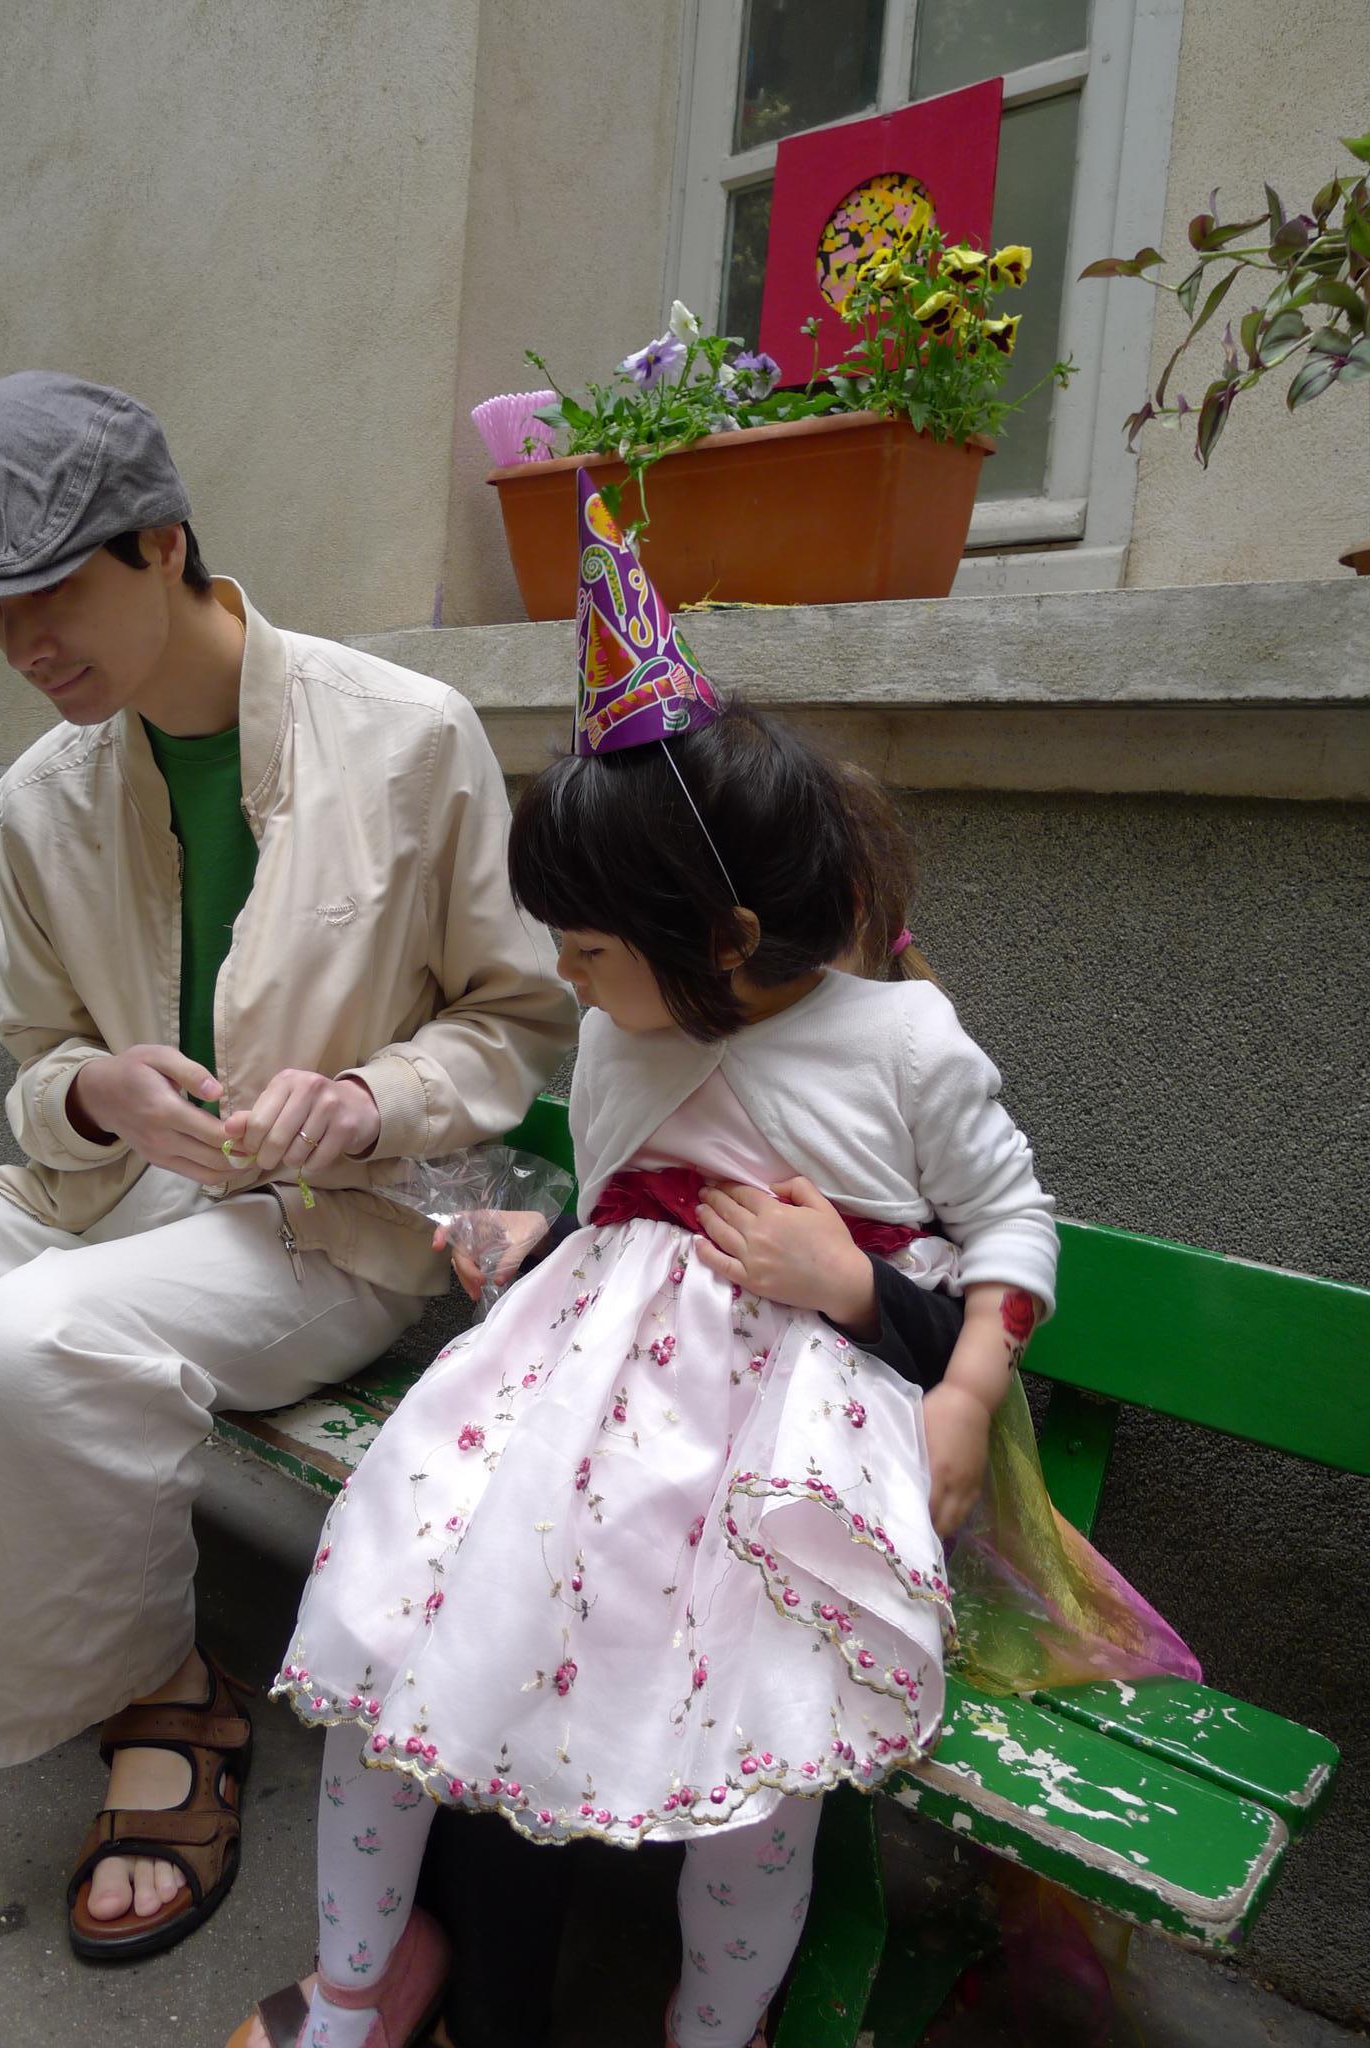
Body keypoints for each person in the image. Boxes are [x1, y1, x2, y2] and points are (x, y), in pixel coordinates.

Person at [226, 473, 1066, 2048]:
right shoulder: (626, 1035)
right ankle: (356, 1987)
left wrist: (959, 1383)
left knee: (766, 1755)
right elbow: (631, 1224)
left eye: (589, 949)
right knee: (402, 1633)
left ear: (726, 939)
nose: (565, 977)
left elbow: (1015, 1223)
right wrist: (548, 1243)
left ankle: (712, 2026)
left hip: (771, 1468)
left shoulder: (901, 1042)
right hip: (571, 1441)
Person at [0, 371, 576, 1961]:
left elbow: (519, 1023)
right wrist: (97, 1093)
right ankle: (54, 1642)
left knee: (33, 1341)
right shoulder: (40, 797)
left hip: (322, 1229)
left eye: (49, 590)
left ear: (161, 542)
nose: (22, 642)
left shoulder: (408, 739)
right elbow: (37, 1063)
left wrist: (370, 1098)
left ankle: (154, 1703)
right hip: (95, 1201)